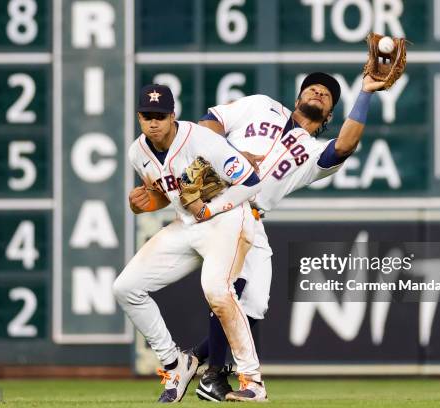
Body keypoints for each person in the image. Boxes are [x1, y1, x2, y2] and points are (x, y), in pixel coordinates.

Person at [189, 72, 387, 401]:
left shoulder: (312, 153)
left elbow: (345, 145)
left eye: (326, 95)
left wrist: (365, 92)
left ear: (329, 116)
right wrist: (230, 158)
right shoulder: (260, 106)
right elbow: (207, 125)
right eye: (312, 88)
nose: (319, 93)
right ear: (297, 100)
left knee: (255, 305)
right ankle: (214, 377)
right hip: (218, 201)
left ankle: (196, 359)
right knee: (232, 289)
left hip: (251, 217)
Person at [113, 84, 267, 402]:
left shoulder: (201, 139)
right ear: (139, 118)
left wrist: (210, 208)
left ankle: (252, 381)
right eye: (146, 116)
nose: (153, 122)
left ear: (173, 115)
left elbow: (251, 182)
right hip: (188, 225)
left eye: (159, 116)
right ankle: (175, 362)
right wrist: (142, 203)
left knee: (217, 292)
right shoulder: (137, 153)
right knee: (125, 288)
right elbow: (167, 195)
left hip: (229, 220)